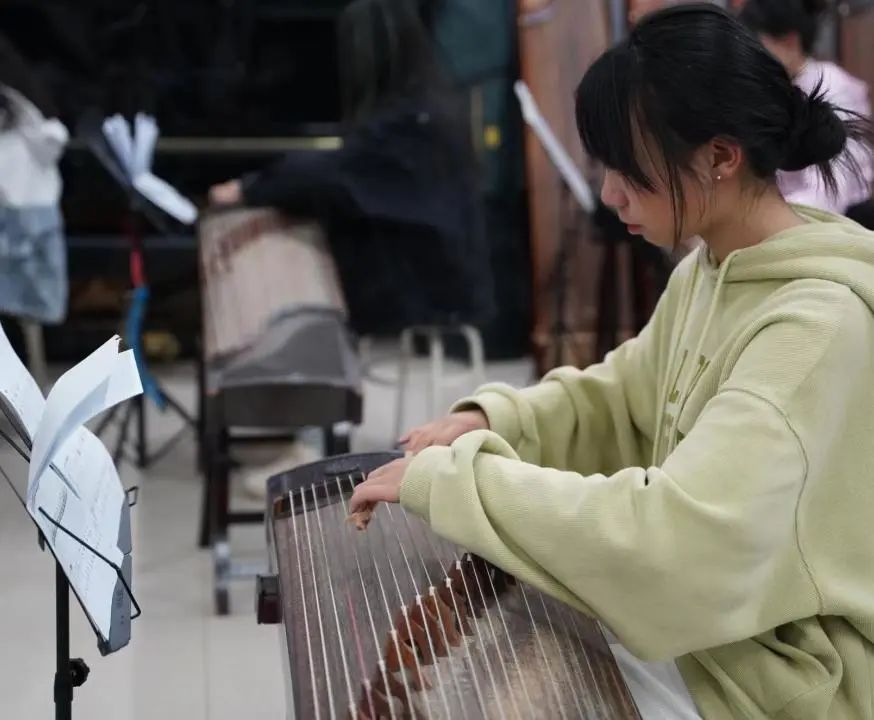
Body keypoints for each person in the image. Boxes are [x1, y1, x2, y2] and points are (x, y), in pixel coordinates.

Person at [351, 4, 874, 718]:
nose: (609, 193)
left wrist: (454, 484)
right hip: (724, 637)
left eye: (628, 169)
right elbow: (622, 397)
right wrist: (494, 420)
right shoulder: (711, 269)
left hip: (785, 675)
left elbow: (676, 542)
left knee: (510, 683)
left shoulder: (814, 326)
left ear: (721, 157)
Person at [209, 0, 493, 338]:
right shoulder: (428, 107)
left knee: (302, 229)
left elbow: (332, 172)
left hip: (428, 290)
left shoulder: (406, 122)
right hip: (448, 279)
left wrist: (248, 189)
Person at [740, 0, 874, 217]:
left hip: (839, 220)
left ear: (790, 41)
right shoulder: (775, 89)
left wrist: (763, 216)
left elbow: (831, 190)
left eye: (758, 46)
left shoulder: (832, 85)